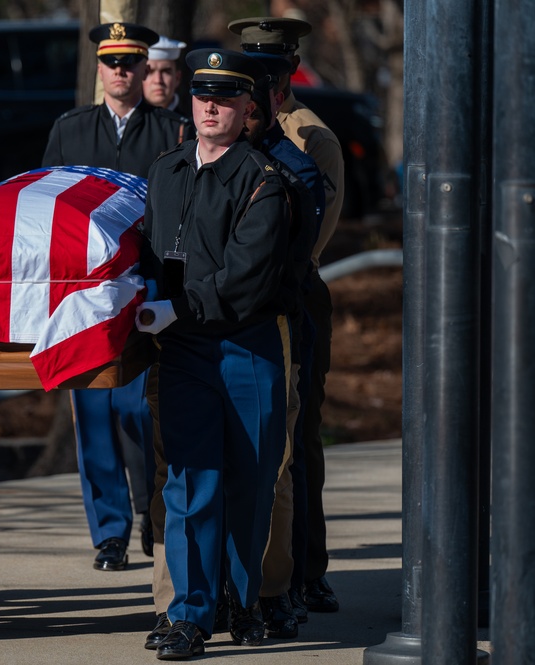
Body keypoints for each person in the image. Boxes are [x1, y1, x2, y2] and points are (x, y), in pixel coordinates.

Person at [136, 49, 291, 659]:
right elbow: (149, 249)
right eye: (202, 95)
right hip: (183, 351)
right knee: (190, 481)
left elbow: (247, 275)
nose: (209, 106)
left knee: (250, 485)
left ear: (248, 108)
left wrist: (178, 307)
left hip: (245, 347)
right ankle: (191, 614)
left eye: (224, 98)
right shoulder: (167, 170)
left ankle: (241, 599)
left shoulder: (264, 179)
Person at [41, 21, 194, 573]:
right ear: (100, 69)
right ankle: (109, 533)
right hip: (83, 293)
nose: (122, 71)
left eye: (131, 61)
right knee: (93, 411)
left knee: (140, 409)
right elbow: (47, 211)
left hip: (145, 284)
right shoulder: (70, 129)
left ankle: (152, 516)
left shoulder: (173, 130)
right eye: (113, 62)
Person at [230, 15, 346, 616]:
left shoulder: (309, 137)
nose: (260, 82)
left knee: (299, 437)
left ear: (286, 75)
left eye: (270, 70)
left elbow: (315, 233)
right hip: (244, 299)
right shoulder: (226, 124)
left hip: (296, 290)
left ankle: (308, 566)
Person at [244, 54, 325, 641]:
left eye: (261, 93)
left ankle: (284, 586)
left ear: (276, 96)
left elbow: (294, 260)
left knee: (282, 458)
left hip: (275, 323)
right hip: (208, 329)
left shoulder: (295, 167)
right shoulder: (196, 160)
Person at [143, 35, 189, 116]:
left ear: (177, 78)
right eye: (150, 72)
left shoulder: (190, 126)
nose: (158, 80)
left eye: (165, 72)